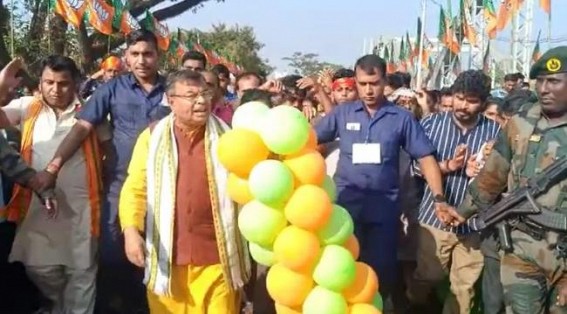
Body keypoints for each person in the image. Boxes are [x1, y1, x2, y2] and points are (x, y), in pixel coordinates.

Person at [35, 29, 171, 313]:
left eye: (147, 53)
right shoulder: (112, 89)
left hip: (168, 185)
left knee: (162, 253)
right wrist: (53, 166)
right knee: (111, 254)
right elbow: (82, 127)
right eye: (135, 54)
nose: (142, 60)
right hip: (119, 186)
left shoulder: (175, 89)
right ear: (126, 58)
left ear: (158, 56)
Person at [315, 54, 449, 312]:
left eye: (374, 83)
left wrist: (439, 198)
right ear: (356, 81)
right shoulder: (342, 114)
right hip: (344, 208)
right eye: (363, 83)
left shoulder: (401, 118)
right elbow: (310, 140)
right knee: (341, 269)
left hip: (383, 210)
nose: (368, 89)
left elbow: (425, 157)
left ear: (384, 81)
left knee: (380, 273)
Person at [441, 46, 567, 314]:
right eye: (540, 81)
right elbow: (493, 176)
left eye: (554, 81)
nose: (544, 89)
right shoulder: (521, 121)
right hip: (521, 243)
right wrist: (462, 211)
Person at [119, 70, 250, 313]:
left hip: (218, 258)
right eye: (191, 96)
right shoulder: (152, 137)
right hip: (167, 258)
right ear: (171, 100)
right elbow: (135, 187)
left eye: (205, 94)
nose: (201, 101)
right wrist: (130, 231)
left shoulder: (229, 139)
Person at [2, 55, 108, 314]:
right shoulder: (28, 106)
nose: (55, 89)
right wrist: (2, 84)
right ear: (40, 82)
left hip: (83, 210)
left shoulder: (91, 113)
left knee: (82, 273)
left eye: (63, 83)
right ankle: (57, 304)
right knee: (40, 268)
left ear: (75, 84)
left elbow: (108, 152)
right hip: (39, 208)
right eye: (48, 82)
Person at [406, 70, 501, 314]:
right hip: (435, 218)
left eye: (471, 101)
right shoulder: (430, 124)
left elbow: (503, 175)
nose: (463, 106)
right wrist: (449, 166)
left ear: (482, 103)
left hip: (475, 223)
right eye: (460, 98)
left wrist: (482, 170)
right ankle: (411, 303)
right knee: (429, 275)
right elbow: (416, 167)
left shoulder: (496, 133)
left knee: (464, 287)